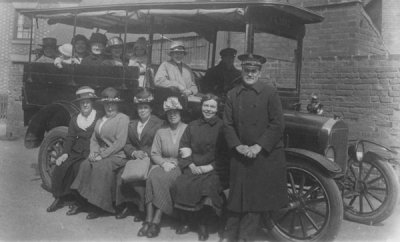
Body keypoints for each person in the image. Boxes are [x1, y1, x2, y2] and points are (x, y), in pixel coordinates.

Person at [221, 53, 288, 242]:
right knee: (237, 195)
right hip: (240, 152)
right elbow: (227, 124)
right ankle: (229, 235)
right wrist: (237, 146)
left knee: (254, 199)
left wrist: (258, 147)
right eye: (246, 70)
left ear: (259, 72)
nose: (250, 74)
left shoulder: (270, 92)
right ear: (241, 70)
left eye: (254, 71)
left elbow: (277, 124)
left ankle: (244, 237)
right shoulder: (233, 94)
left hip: (262, 154)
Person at [171, 94, 225, 241]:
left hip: (213, 169)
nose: (208, 109)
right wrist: (190, 164)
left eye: (212, 106)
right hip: (194, 167)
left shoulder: (223, 127)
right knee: (181, 183)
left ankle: (203, 224)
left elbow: (225, 155)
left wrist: (210, 167)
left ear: (217, 109)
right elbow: (184, 146)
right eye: (206, 106)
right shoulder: (193, 125)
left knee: (207, 187)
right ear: (201, 107)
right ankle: (188, 221)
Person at [71, 87, 130, 219]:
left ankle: (99, 206)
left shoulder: (122, 119)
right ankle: (82, 201)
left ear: (117, 105)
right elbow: (94, 139)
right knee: (86, 164)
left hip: (117, 155)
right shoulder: (100, 120)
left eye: (112, 104)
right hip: (102, 154)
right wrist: (93, 152)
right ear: (103, 105)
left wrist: (101, 156)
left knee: (100, 167)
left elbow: (119, 143)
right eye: (107, 104)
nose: (110, 108)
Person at [137, 96, 187, 238]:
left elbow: (189, 153)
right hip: (162, 163)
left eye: (175, 112)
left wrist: (174, 164)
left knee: (164, 180)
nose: (172, 115)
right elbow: (154, 153)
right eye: (169, 113)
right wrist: (163, 163)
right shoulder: (161, 131)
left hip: (179, 165)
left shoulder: (187, 129)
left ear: (180, 113)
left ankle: (156, 221)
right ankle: (147, 219)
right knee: (152, 177)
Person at [46, 86, 100, 214]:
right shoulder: (76, 118)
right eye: (82, 103)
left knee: (78, 168)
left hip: (91, 150)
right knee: (61, 165)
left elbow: (101, 136)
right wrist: (64, 153)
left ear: (92, 103)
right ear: (79, 104)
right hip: (76, 150)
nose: (85, 105)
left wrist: (97, 152)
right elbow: (70, 137)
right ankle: (59, 197)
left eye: (87, 102)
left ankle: (79, 202)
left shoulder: (98, 117)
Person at [115, 88, 164, 221]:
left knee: (141, 177)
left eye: (145, 107)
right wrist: (134, 152)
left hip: (151, 158)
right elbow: (126, 143)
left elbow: (159, 144)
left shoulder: (158, 123)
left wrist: (146, 153)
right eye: (139, 108)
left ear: (151, 109)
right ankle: (128, 205)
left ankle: (141, 209)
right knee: (122, 173)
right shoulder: (132, 123)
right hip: (135, 157)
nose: (142, 110)